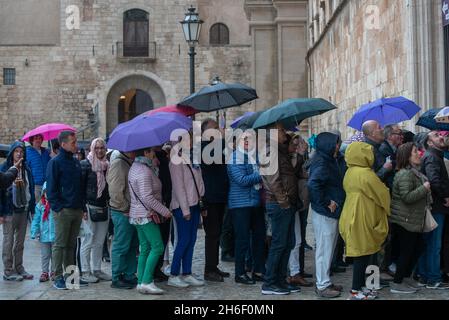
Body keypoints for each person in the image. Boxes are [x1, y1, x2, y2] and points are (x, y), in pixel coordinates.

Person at [339, 142, 390, 300]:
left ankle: (369, 287)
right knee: (367, 253)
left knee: (366, 252)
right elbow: (382, 194)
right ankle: (357, 290)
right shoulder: (366, 174)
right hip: (365, 215)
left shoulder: (350, 172)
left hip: (352, 212)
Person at [260, 122, 300, 295]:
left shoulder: (279, 150)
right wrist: (284, 202)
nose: (286, 133)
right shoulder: (270, 151)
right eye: (282, 130)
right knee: (278, 243)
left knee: (288, 242)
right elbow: (273, 180)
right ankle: (270, 282)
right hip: (279, 204)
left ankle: (281, 280)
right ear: (273, 133)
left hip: (286, 204)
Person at [128, 147, 172, 295]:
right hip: (146, 215)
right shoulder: (144, 171)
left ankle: (141, 282)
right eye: (151, 151)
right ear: (146, 153)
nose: (154, 153)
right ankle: (147, 281)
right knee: (157, 247)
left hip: (137, 214)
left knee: (145, 248)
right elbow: (147, 197)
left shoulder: (135, 167)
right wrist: (165, 211)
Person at [308, 132, 346, 298]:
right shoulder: (322, 162)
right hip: (325, 212)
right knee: (324, 249)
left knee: (329, 248)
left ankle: (326, 281)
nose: (338, 146)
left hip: (330, 212)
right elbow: (313, 184)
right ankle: (322, 285)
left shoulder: (328, 159)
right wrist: (326, 202)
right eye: (336, 143)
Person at [46, 131, 86, 290]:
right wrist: (59, 208)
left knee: (71, 245)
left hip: (76, 209)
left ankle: (71, 277)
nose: (76, 145)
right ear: (63, 144)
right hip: (63, 210)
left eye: (76, 142)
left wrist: (82, 207)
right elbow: (51, 189)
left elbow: (79, 187)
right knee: (60, 245)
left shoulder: (76, 162)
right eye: (73, 142)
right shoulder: (55, 162)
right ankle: (57, 277)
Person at [389, 142, 431, 294]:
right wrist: (424, 188)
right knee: (406, 252)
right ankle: (397, 283)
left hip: (413, 219)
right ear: (407, 156)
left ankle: (406, 278)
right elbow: (407, 197)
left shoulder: (414, 172)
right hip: (404, 220)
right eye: (415, 151)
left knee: (417, 248)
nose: (419, 153)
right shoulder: (405, 174)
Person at [227, 131, 266, 285]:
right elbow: (241, 180)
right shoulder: (235, 157)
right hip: (240, 204)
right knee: (242, 240)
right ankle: (240, 273)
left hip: (254, 203)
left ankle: (257, 270)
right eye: (245, 139)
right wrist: (261, 174)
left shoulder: (252, 157)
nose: (248, 142)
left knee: (259, 237)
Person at [168, 132, 205, 288]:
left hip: (195, 204)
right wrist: (185, 210)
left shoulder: (191, 159)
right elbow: (179, 187)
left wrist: (202, 200)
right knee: (183, 240)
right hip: (183, 206)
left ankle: (187, 272)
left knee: (192, 239)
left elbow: (199, 181)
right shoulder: (176, 161)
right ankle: (174, 274)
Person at [416, 131, 449, 289]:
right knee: (434, 244)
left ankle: (425, 276)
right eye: (436, 136)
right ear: (429, 143)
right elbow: (434, 180)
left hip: (435, 206)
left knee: (430, 243)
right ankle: (433, 278)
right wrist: (445, 197)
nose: (441, 137)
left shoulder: (435, 155)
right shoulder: (431, 156)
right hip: (435, 206)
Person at [1, 141, 35, 281]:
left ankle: (19, 267)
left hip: (23, 208)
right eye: (16, 151)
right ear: (12, 153)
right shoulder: (4, 168)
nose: (19, 153)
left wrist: (31, 207)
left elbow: (30, 188)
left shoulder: (26, 168)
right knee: (8, 241)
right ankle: (8, 270)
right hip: (9, 209)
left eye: (21, 151)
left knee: (20, 242)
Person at [201, 119, 230, 282]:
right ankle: (209, 269)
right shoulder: (204, 148)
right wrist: (224, 139)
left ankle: (214, 266)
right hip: (210, 198)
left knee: (217, 233)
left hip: (219, 196)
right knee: (212, 234)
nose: (217, 131)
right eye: (214, 129)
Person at [80, 138, 111, 283]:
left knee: (99, 241)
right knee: (88, 240)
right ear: (92, 148)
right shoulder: (85, 165)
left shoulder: (107, 166)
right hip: (88, 207)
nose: (99, 150)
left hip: (104, 207)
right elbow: (79, 188)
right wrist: (82, 209)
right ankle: (86, 271)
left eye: (102, 148)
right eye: (97, 148)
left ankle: (97, 270)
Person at [106, 150, 138, 289]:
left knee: (132, 245)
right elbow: (115, 192)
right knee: (121, 245)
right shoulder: (118, 164)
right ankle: (117, 276)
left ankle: (129, 274)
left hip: (131, 211)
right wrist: (125, 208)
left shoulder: (129, 162)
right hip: (122, 212)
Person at [286, 133, 313, 287]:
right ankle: (288, 273)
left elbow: (301, 172)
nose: (296, 148)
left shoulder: (296, 157)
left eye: (298, 145)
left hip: (297, 201)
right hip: (285, 203)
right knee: (286, 241)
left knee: (297, 240)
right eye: (294, 145)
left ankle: (296, 272)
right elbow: (290, 173)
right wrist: (301, 156)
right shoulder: (283, 158)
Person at [30, 182, 55, 282]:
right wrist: (34, 232)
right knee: (45, 255)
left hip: (55, 234)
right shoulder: (40, 205)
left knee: (55, 254)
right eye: (46, 192)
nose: (48, 194)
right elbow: (36, 219)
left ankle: (54, 271)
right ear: (43, 193)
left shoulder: (56, 205)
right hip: (44, 235)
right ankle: (45, 272)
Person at [362, 120, 393, 185]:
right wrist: (385, 169)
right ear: (372, 133)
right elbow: (370, 181)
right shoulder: (366, 152)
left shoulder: (378, 147)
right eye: (379, 127)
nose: (382, 129)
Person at [26, 134, 51, 202]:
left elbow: (50, 165)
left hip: (46, 184)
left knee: (46, 205)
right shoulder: (28, 152)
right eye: (36, 138)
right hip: (35, 185)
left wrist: (52, 156)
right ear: (32, 140)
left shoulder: (46, 152)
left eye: (40, 138)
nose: (38, 140)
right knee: (37, 205)